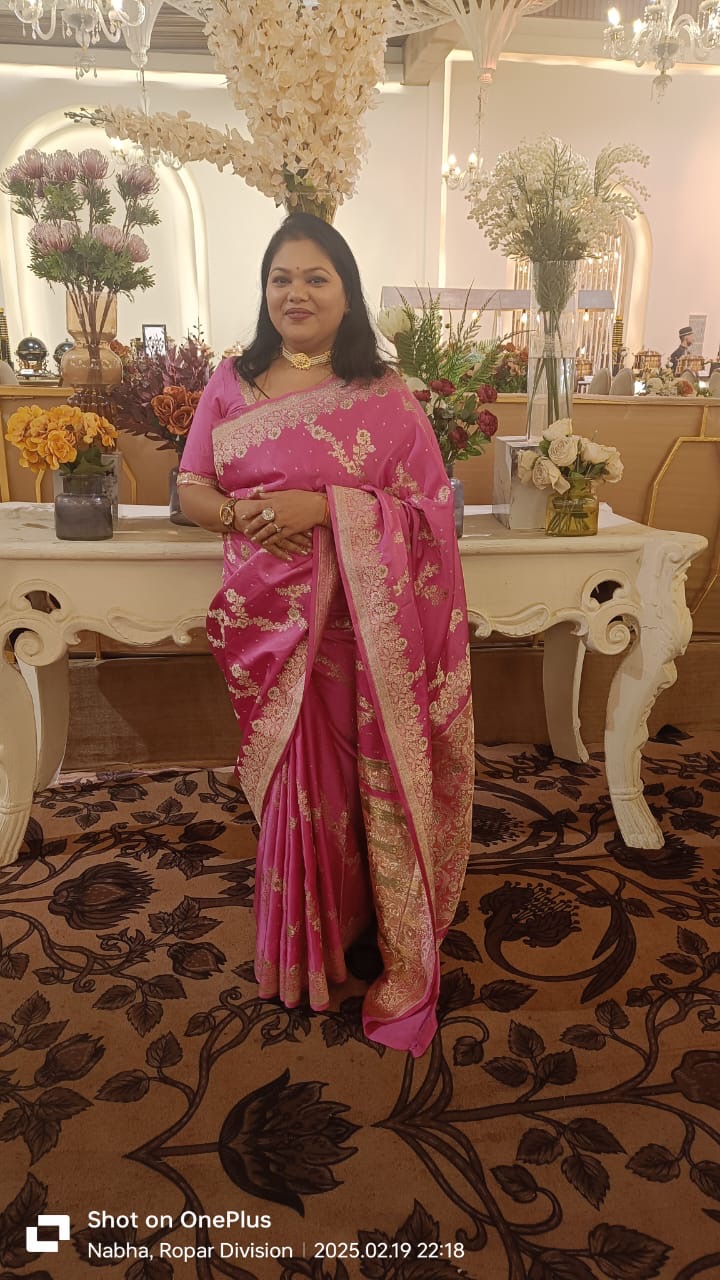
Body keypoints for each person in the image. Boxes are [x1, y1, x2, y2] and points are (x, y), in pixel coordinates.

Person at [177, 212, 474, 1057]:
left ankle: (357, 925)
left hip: (357, 631)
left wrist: (326, 509)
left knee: (351, 783)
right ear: (264, 291)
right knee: (292, 787)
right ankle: (299, 947)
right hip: (267, 623)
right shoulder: (231, 380)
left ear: (347, 295)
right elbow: (192, 485)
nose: (296, 293)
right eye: (281, 278)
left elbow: (430, 511)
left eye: (316, 278)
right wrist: (236, 515)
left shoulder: (383, 392)